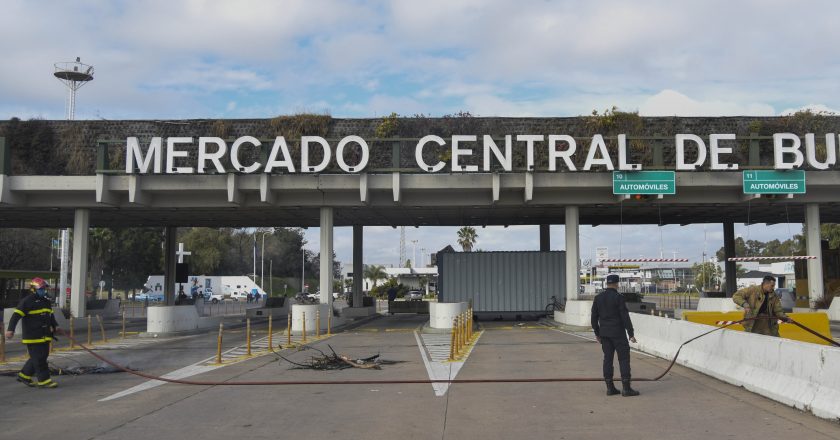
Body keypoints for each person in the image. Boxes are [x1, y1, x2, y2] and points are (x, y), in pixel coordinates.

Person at [5, 277, 62, 388]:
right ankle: (44, 381)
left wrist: (55, 327)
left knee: (40, 356)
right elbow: (16, 316)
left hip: (45, 335)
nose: (44, 291)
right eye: (41, 289)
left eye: (44, 289)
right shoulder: (27, 301)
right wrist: (10, 330)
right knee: (40, 358)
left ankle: (24, 375)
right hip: (33, 335)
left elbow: (50, 316)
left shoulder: (46, 302)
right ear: (34, 289)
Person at [591, 274, 639, 397]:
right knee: (623, 359)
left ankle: (610, 388)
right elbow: (625, 316)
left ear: (607, 283)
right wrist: (631, 333)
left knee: (607, 359)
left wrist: (597, 333)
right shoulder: (619, 297)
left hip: (604, 334)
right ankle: (626, 388)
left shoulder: (598, 298)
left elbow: (593, 318)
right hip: (618, 333)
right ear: (617, 284)